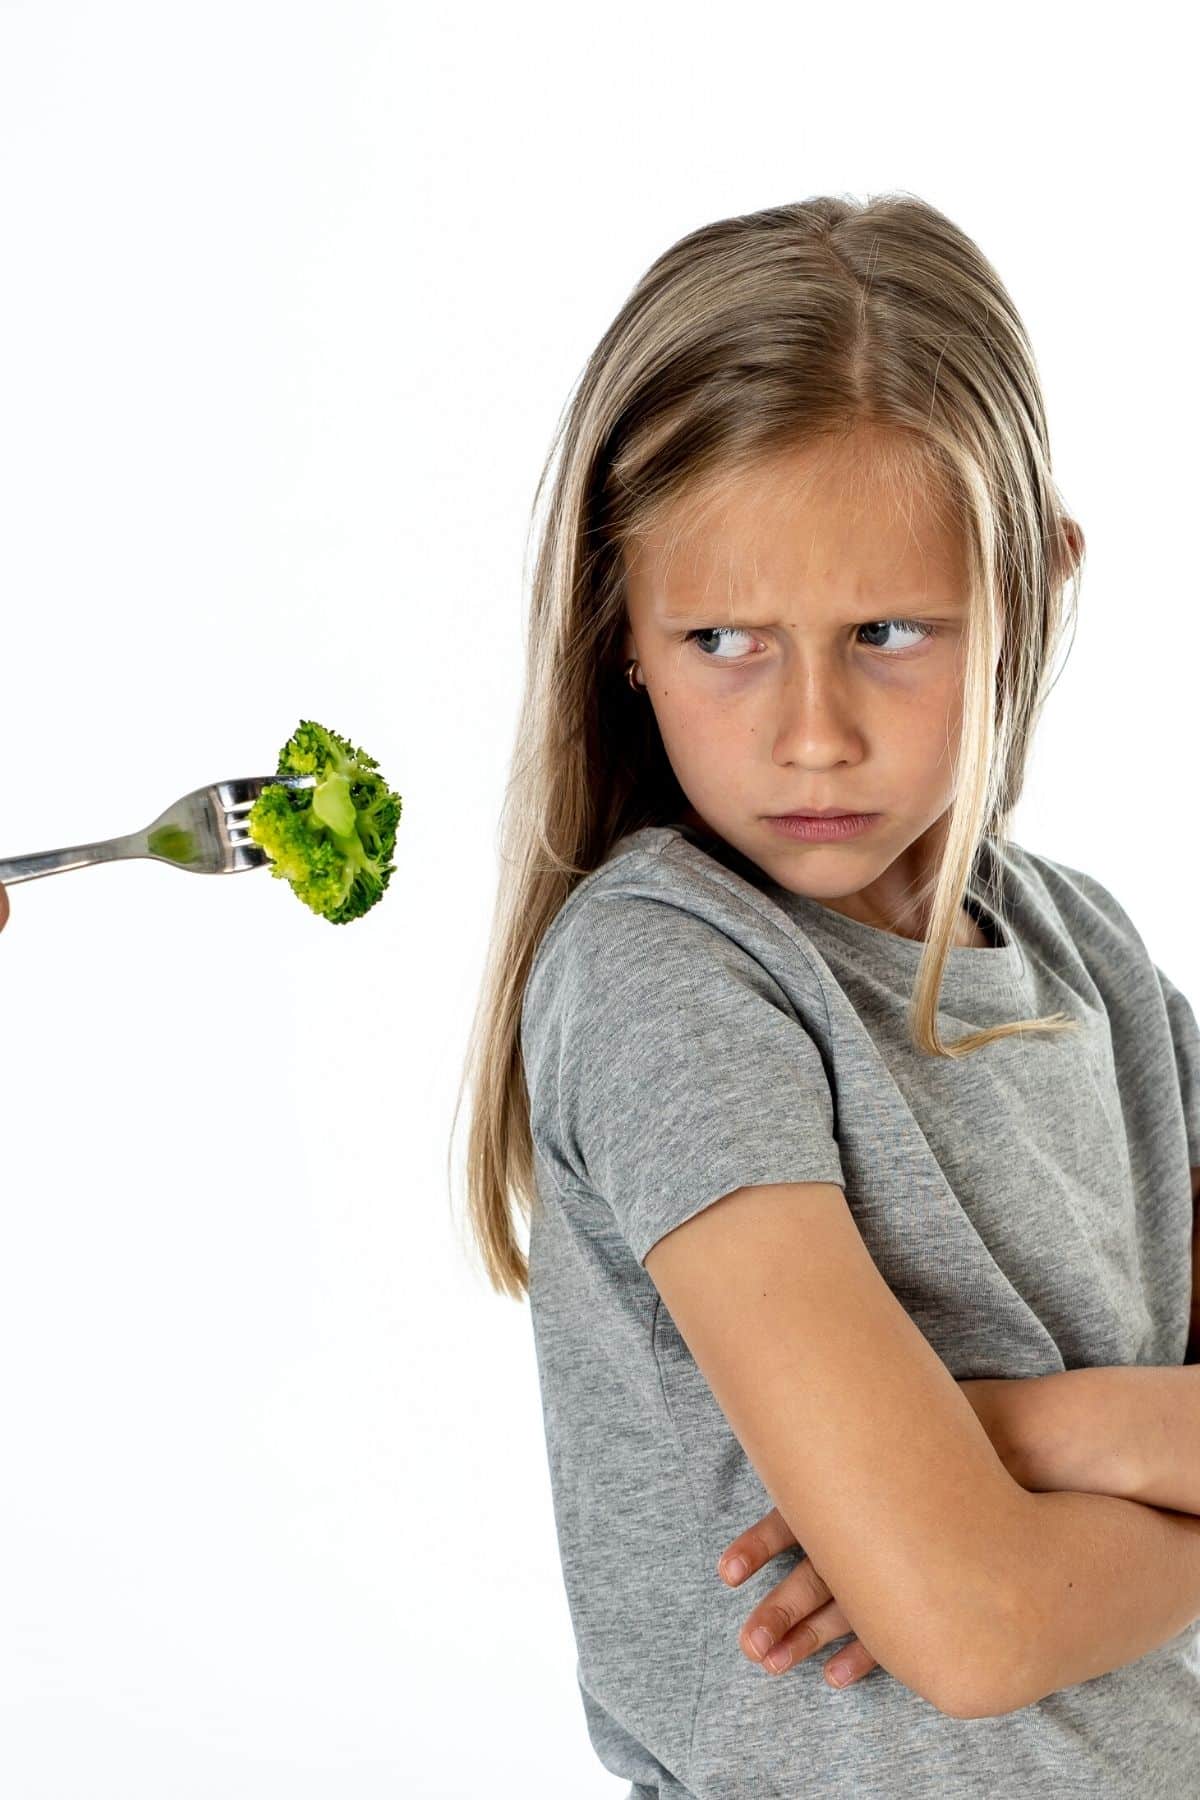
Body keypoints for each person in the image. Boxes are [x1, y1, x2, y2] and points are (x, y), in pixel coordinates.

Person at [451, 195, 1200, 1796]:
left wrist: (1012, 1436)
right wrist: (1145, 1451)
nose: (812, 733)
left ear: (1038, 588)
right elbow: (978, 1627)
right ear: (622, 629)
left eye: (888, 631)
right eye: (723, 635)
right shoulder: (673, 973)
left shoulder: (1104, 968)